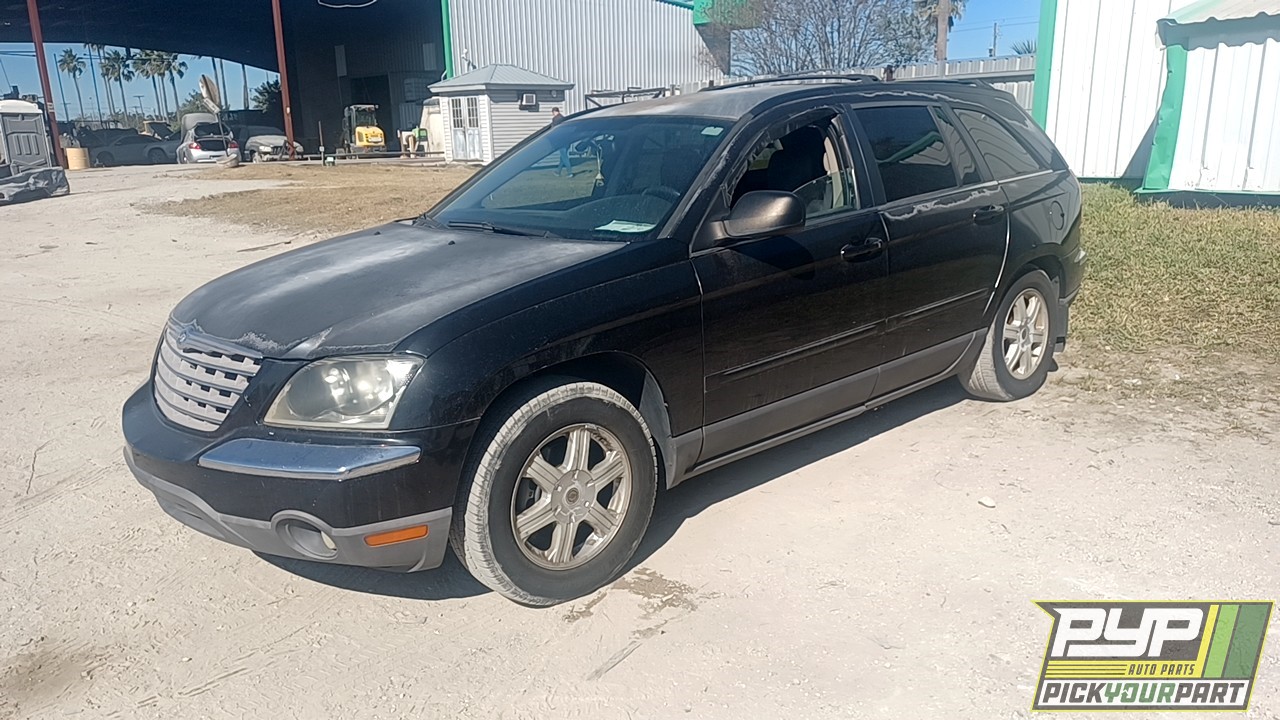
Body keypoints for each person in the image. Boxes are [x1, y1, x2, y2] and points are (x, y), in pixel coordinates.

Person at [551, 108, 572, 176]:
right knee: (562, 157)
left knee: (564, 157)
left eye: (553, 112)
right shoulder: (563, 118)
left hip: (561, 141)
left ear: (554, 112)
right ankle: (558, 171)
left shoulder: (555, 119)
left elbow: (554, 129)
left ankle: (570, 172)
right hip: (568, 140)